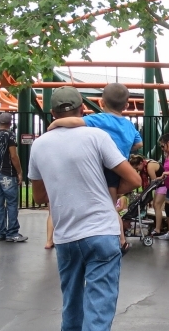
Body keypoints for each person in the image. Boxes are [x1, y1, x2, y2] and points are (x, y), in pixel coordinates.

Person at [27, 86, 140, 331]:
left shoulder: (39, 146)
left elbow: (39, 194)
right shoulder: (96, 135)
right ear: (82, 108)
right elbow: (133, 178)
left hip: (66, 237)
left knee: (72, 304)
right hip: (102, 234)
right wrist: (114, 195)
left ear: (52, 114)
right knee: (98, 316)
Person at [48, 83, 143, 250]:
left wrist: (55, 124)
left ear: (101, 102)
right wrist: (125, 147)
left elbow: (75, 121)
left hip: (103, 166)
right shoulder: (129, 125)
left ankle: (121, 240)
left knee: (110, 207)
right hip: (120, 166)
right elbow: (139, 143)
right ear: (126, 105)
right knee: (111, 203)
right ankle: (119, 238)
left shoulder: (99, 119)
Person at [0, 114, 26, 242]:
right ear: (10, 123)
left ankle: (0, 232)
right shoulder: (10, 135)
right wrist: (19, 172)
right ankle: (12, 233)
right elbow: (13, 156)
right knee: (12, 203)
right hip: (8, 174)